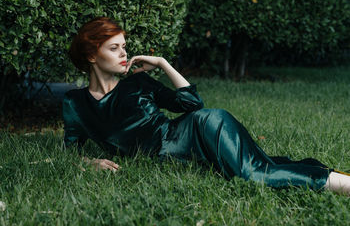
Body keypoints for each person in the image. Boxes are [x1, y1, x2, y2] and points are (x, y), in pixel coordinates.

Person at [63, 16, 350, 196]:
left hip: (199, 129)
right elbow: (70, 151)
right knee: (260, 167)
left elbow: (191, 103)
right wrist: (90, 162)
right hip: (180, 154)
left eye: (124, 46)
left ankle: (341, 186)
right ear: (91, 55)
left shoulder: (138, 83)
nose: (124, 53)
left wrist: (163, 64)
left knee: (252, 175)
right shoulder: (75, 103)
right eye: (114, 48)